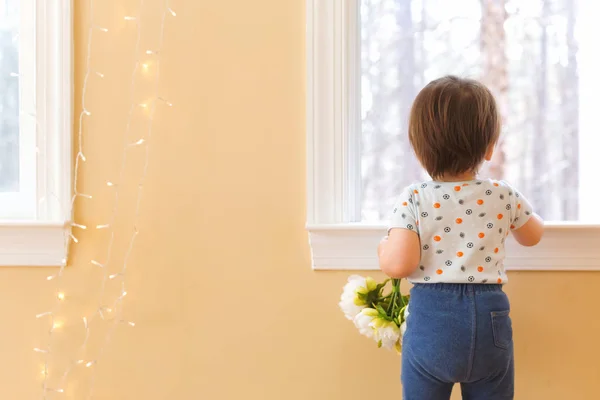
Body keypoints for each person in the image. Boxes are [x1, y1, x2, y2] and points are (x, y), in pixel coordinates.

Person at [377, 76, 544, 400]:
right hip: (488, 320)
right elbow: (533, 235)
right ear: (489, 146)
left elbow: (399, 264)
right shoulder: (501, 193)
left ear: (419, 146)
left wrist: (383, 248)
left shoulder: (414, 197)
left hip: (432, 323)